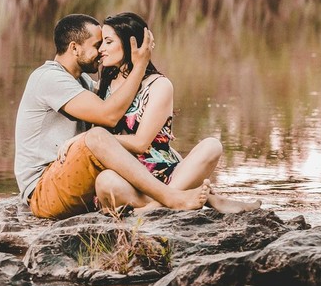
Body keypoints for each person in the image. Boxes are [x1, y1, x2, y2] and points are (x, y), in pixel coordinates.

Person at [14, 14, 210, 220]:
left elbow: (130, 128)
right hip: (44, 190)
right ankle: (171, 198)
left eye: (105, 43)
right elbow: (109, 116)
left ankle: (162, 202)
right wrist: (141, 65)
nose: (100, 52)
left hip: (69, 179)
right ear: (74, 48)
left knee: (108, 155)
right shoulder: (49, 78)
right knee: (96, 136)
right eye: (97, 44)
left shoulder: (81, 82)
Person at [93, 12, 260, 214]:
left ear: (133, 44)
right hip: (127, 180)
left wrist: (94, 140)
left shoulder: (159, 85)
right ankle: (199, 199)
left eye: (108, 42)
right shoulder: (103, 86)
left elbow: (141, 143)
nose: (101, 49)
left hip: (165, 178)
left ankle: (156, 206)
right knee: (104, 181)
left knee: (212, 145)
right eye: (101, 42)